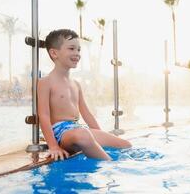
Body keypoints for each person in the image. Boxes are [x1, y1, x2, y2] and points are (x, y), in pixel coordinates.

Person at [38, 29, 131, 161]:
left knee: (125, 144)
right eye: (71, 48)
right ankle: (110, 166)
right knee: (84, 135)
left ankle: (107, 156)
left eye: (78, 50)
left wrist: (100, 135)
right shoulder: (45, 82)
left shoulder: (75, 84)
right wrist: (53, 146)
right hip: (61, 133)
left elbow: (86, 114)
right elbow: (44, 115)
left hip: (79, 128)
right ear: (54, 53)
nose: (76, 53)